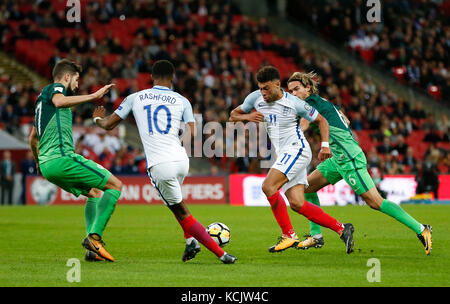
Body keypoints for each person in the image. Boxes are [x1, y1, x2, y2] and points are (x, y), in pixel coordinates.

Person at [91, 60, 236, 264]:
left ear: (151, 77)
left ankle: (221, 254)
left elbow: (107, 125)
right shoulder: (181, 100)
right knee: (175, 204)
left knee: (182, 211)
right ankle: (190, 242)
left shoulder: (135, 97)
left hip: (160, 164)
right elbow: (193, 133)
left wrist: (97, 118)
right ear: (173, 77)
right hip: (180, 160)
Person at [287, 71, 432, 255]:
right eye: (290, 91)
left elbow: (304, 127)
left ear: (308, 88)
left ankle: (421, 229)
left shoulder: (310, 104)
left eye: (296, 89)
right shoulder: (322, 102)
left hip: (349, 158)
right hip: (337, 159)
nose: (293, 94)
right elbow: (344, 118)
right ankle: (316, 236)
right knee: (306, 187)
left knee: (375, 202)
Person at [229, 66, 355, 254]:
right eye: (261, 88)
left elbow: (321, 120)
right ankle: (342, 228)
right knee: (297, 203)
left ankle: (289, 235)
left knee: (268, 187)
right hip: (286, 154)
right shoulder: (254, 98)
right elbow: (233, 115)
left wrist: (325, 145)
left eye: (267, 88)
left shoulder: (294, 103)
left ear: (278, 85)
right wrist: (248, 116)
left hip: (297, 149)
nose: (263, 92)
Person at [28, 59, 123, 262]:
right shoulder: (54, 90)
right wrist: (95, 95)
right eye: (77, 79)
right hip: (61, 159)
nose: (77, 85)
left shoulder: (40, 105)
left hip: (47, 166)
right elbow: (60, 101)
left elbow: (32, 138)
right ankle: (95, 238)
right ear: (67, 76)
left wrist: (38, 162)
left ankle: (92, 250)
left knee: (94, 192)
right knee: (115, 185)